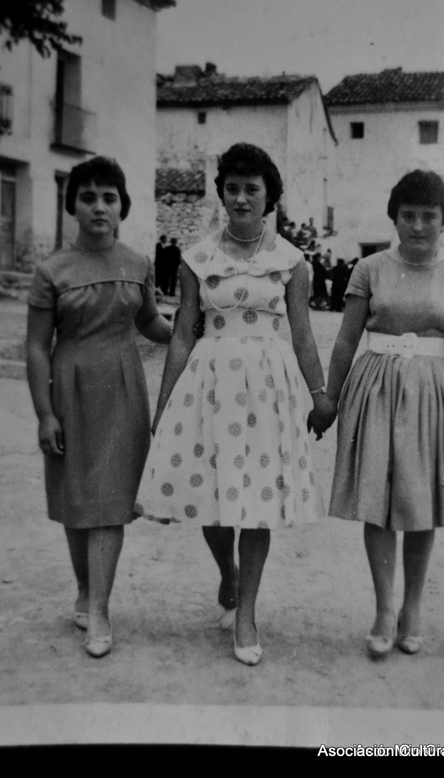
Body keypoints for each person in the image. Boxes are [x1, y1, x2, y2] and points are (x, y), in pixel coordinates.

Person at [135, 143, 332, 666]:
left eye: (252, 189)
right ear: (221, 193)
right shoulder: (198, 258)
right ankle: (229, 572)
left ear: (269, 197)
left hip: (269, 390)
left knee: (259, 503)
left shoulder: (291, 261)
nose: (241, 198)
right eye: (233, 188)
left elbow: (303, 336)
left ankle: (246, 612)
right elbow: (182, 334)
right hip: (210, 384)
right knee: (213, 495)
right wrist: (166, 404)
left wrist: (320, 396)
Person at [310, 170, 444, 659]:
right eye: (408, 215)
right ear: (394, 217)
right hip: (377, 390)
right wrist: (330, 399)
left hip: (433, 393)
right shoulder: (369, 269)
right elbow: (346, 340)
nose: (418, 225)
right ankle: (384, 608)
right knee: (379, 498)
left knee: (421, 500)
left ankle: (413, 608)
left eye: (428, 216)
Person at [26, 156, 172, 658]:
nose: (99, 206)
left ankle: (101, 610)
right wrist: (45, 413)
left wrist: (192, 333)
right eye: (88, 197)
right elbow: (35, 347)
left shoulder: (137, 263)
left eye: (109, 197)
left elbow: (150, 322)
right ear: (73, 206)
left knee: (109, 502)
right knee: (76, 499)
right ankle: (85, 591)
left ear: (122, 206)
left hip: (124, 390)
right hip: (70, 390)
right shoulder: (52, 271)